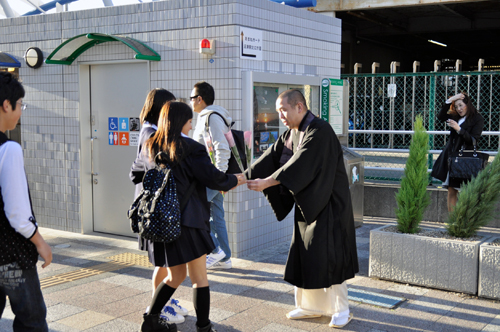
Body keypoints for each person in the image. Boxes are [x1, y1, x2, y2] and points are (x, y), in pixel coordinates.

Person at [246, 89, 358, 329]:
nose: (281, 116)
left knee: (331, 257)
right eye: (278, 111)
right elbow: (271, 158)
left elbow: (300, 163)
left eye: (283, 110)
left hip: (330, 204)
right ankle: (311, 307)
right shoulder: (292, 133)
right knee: (307, 254)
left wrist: (267, 182)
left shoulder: (320, 130)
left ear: (299, 106)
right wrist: (241, 177)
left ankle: (342, 310)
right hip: (309, 203)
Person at [133, 101, 246, 332]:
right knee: (199, 277)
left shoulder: (150, 146)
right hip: (189, 221)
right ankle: (203, 327)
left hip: (162, 221)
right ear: (180, 122)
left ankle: (151, 320)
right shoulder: (191, 147)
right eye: (188, 120)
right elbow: (213, 177)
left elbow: (136, 173)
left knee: (175, 275)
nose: (190, 123)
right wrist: (236, 179)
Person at [130, 88, 188, 324]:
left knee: (165, 263)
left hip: (155, 208)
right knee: (162, 263)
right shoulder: (150, 133)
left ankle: (164, 300)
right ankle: (157, 306)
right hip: (154, 210)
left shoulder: (151, 130)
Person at [0, 71, 53, 331]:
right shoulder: (8, 149)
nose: (21, 110)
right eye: (20, 104)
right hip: (11, 254)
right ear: (6, 105)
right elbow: (17, 213)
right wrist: (41, 243)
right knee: (32, 321)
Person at [191, 82, 233, 270]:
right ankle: (225, 258)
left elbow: (222, 148)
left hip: (211, 177)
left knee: (195, 214)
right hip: (213, 177)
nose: (191, 101)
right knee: (216, 216)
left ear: (200, 99)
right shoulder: (207, 117)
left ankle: (216, 251)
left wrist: (219, 179)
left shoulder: (211, 118)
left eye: (192, 98)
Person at [431, 92, 484, 212]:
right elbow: (440, 116)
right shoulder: (455, 117)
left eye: (461, 105)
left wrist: (459, 129)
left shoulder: (477, 118)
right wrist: (450, 100)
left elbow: (473, 140)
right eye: (456, 106)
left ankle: (466, 221)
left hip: (467, 159)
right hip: (453, 157)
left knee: (468, 192)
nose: (459, 109)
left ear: (468, 104)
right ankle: (453, 222)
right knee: (451, 190)